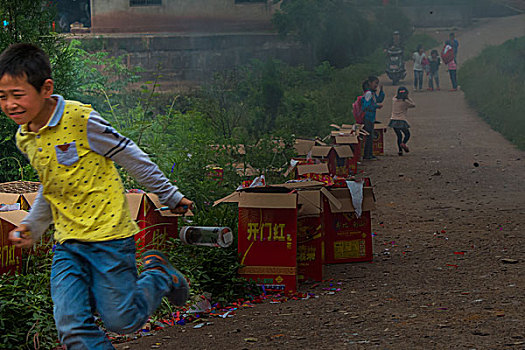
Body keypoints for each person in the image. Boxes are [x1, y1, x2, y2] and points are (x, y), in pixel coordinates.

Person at [0, 43, 193, 350]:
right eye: (2, 96)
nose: (10, 104)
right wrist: (32, 227)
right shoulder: (25, 138)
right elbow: (50, 189)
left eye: (17, 94)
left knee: (123, 321)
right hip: (67, 245)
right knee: (70, 325)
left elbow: (131, 156)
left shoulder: (80, 120)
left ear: (46, 88)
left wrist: (169, 195)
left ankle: (158, 275)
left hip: (109, 238)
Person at [362, 76, 384, 160]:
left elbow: (379, 100)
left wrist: (381, 91)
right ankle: (367, 155)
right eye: (375, 83)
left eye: (377, 84)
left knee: (370, 136)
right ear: (370, 83)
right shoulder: (368, 94)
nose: (376, 85)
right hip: (367, 117)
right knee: (369, 136)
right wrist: (376, 106)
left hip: (371, 118)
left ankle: (370, 154)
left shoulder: (372, 93)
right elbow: (366, 106)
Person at [389, 86, 415, 156]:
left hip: (393, 120)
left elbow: (395, 96)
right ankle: (403, 143)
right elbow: (413, 105)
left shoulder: (394, 100)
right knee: (407, 134)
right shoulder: (405, 102)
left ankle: (400, 151)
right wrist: (408, 98)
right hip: (401, 121)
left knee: (399, 136)